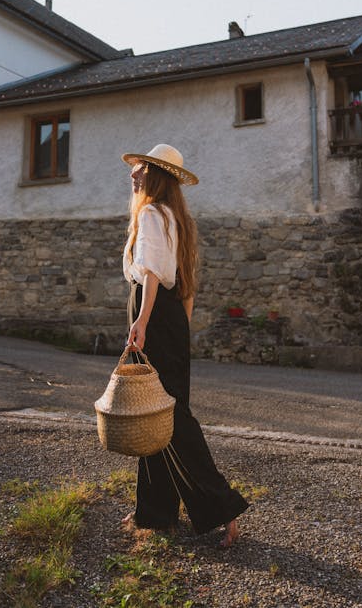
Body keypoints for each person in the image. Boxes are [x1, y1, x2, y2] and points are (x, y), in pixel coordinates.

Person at [121, 143, 248, 547]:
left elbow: (153, 276)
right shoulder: (178, 219)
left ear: (153, 174)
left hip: (154, 314)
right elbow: (186, 287)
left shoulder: (152, 213)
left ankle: (223, 507)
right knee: (153, 415)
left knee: (170, 418)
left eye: (139, 167)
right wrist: (179, 329)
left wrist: (142, 322)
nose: (133, 173)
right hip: (170, 318)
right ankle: (155, 513)